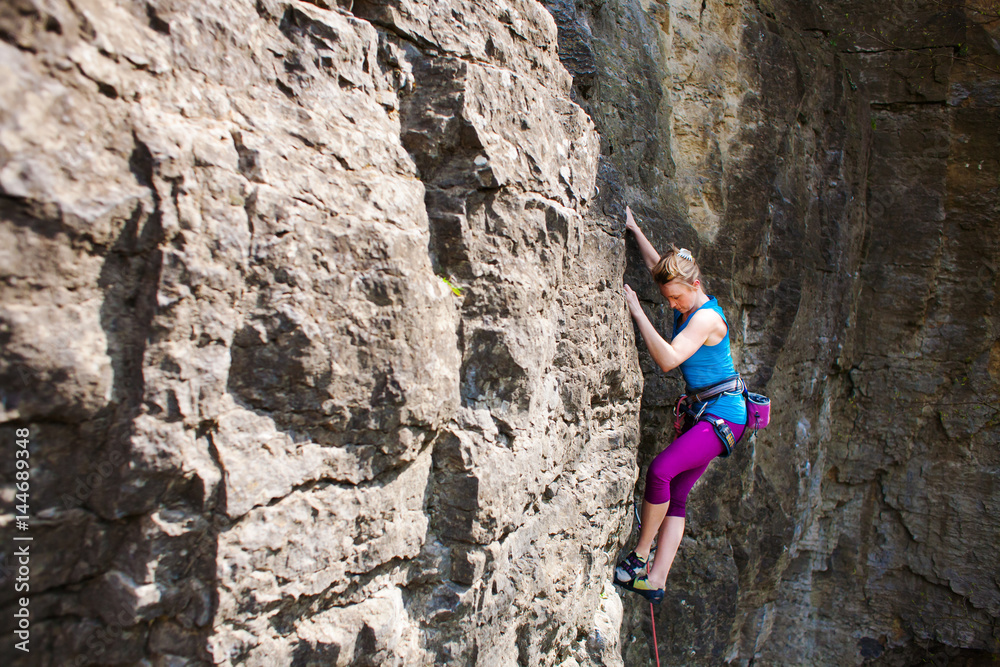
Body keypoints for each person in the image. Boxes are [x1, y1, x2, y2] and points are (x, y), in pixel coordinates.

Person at [615, 205, 747, 603]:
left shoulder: (705, 318)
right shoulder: (685, 296)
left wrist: (638, 312)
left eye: (675, 298)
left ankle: (640, 558)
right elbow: (662, 269)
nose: (670, 304)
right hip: (709, 412)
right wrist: (635, 229)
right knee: (678, 492)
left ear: (696, 285)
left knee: (660, 471)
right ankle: (656, 580)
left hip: (724, 415)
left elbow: (670, 360)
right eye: (666, 298)